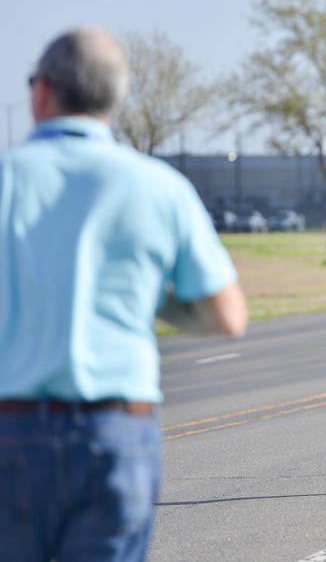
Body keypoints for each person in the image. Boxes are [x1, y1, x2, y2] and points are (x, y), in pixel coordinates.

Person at [0, 28, 247, 562]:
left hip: (12, 427)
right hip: (114, 432)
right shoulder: (160, 186)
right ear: (115, 98)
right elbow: (227, 316)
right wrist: (153, 298)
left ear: (41, 92)